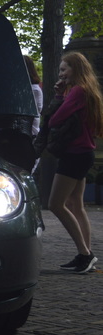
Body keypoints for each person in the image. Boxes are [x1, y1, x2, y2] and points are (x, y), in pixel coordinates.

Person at [47, 52, 103, 274]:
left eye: (64, 69)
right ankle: (85, 254)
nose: (61, 74)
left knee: (55, 204)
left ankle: (85, 254)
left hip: (74, 155)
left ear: (76, 69)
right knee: (75, 205)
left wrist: (59, 97)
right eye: (60, 70)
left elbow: (54, 119)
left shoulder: (78, 91)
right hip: (83, 153)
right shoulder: (87, 91)